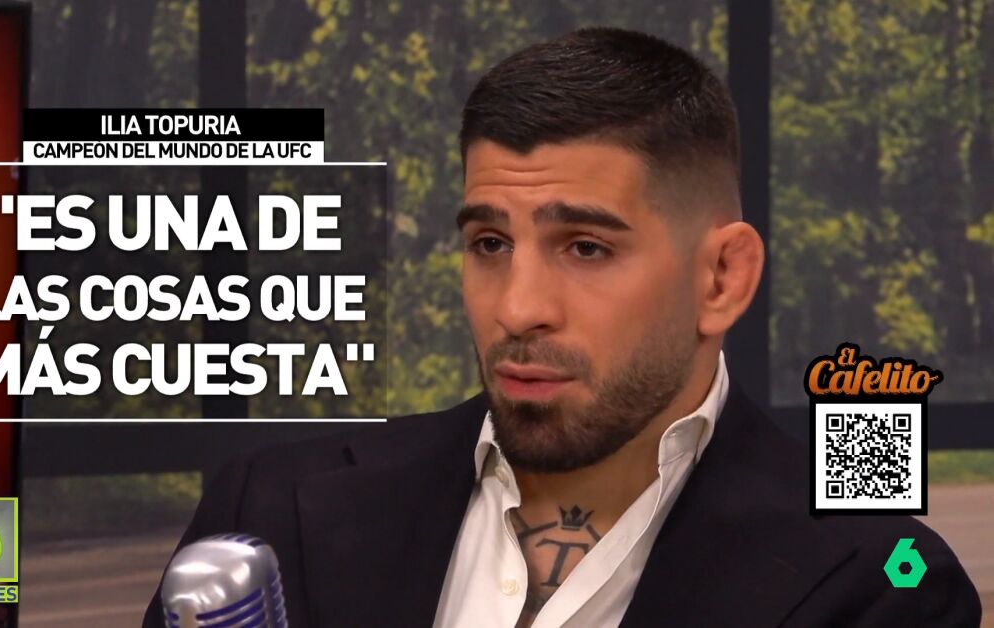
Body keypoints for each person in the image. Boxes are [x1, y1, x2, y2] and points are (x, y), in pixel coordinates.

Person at [144, 28, 981, 627]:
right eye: (489, 243)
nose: (517, 309)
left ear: (722, 278)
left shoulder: (877, 582)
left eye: (585, 247)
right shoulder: (269, 511)